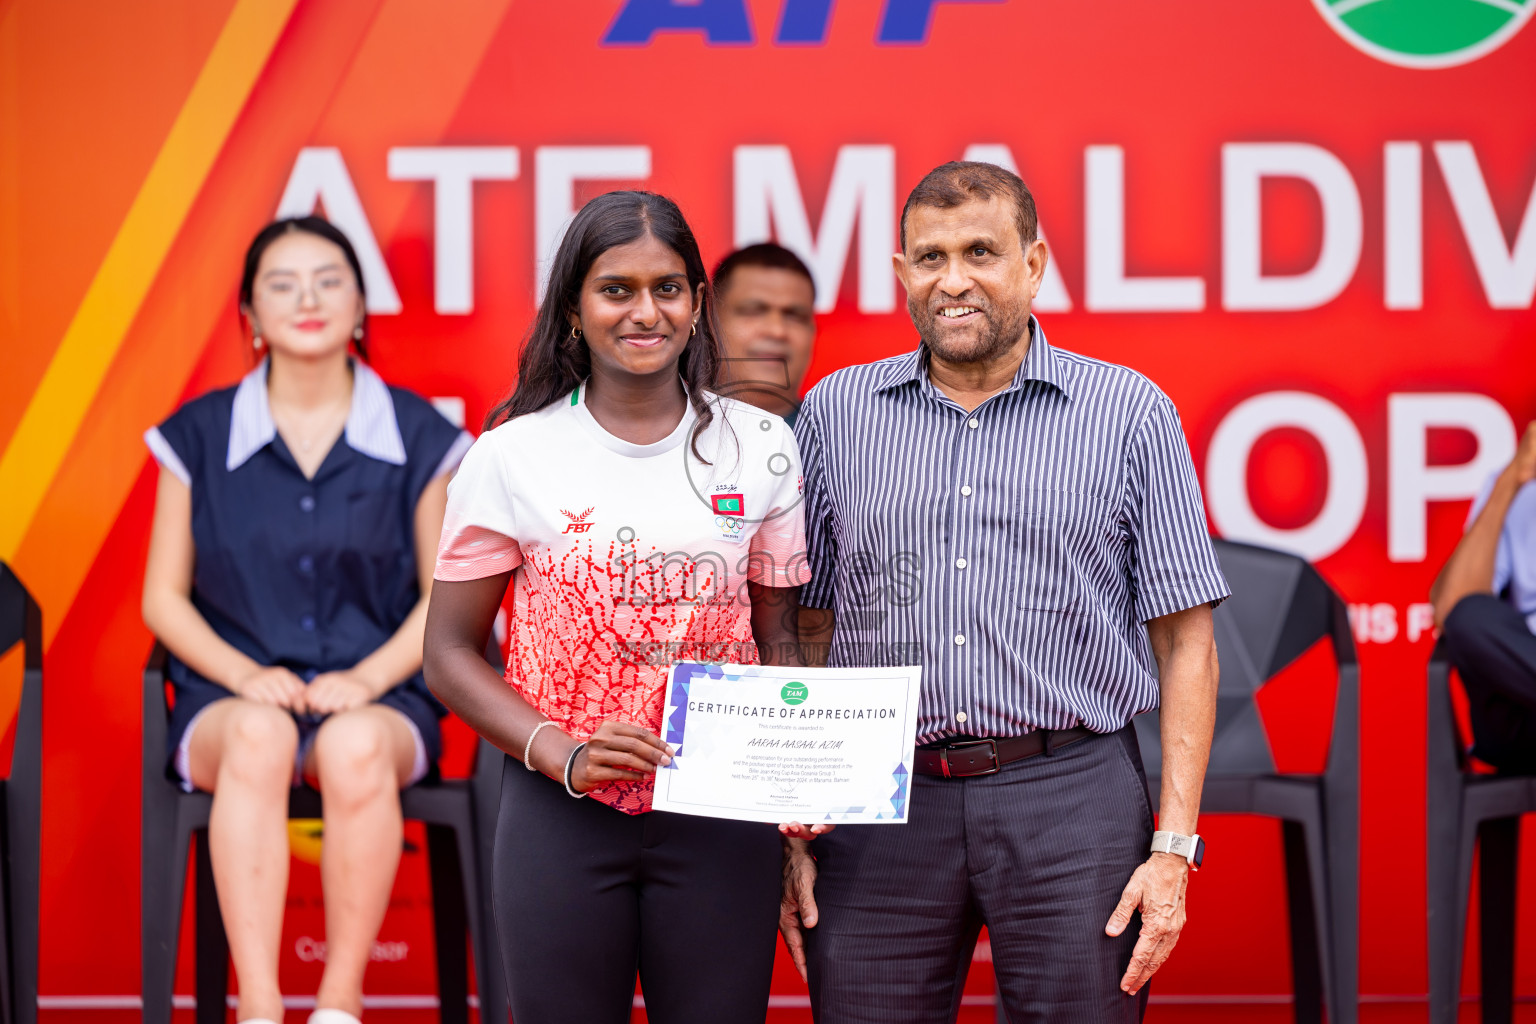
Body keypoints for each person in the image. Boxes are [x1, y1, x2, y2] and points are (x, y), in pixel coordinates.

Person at [781, 162, 1229, 1024]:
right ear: (902, 274)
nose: (953, 280)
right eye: (930, 256)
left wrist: (1173, 847)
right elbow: (807, 626)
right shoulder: (835, 414)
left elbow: (1186, 641)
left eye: (981, 251)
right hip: (879, 803)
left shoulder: (1130, 412)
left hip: (1072, 796)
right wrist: (794, 824)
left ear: (1034, 263)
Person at [421, 190, 814, 1024]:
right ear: (573, 307)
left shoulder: (762, 446)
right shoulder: (510, 456)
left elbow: (782, 636)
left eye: (668, 288)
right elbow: (450, 654)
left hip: (720, 817)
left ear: (698, 302)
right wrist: (562, 752)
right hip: (557, 812)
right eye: (616, 289)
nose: (646, 311)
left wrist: (801, 774)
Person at [140, 216, 471, 1024]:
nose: (307, 299)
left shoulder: (421, 435)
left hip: (380, 696)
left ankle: (337, 1006)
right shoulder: (198, 435)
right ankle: (259, 1009)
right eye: (281, 284)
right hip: (233, 697)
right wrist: (245, 676)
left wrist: (368, 678)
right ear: (250, 314)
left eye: (328, 279)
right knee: (260, 735)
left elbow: (444, 594)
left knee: (356, 750)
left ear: (361, 303)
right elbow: (162, 599)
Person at [1430, 421, 1536, 773]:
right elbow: (1451, 608)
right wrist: (1511, 482)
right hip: (1526, 711)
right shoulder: (1511, 485)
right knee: (1471, 615)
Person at [712, 242, 817, 426]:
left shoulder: (842, 442)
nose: (777, 331)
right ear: (710, 322)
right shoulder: (662, 433)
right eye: (754, 310)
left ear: (812, 332)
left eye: (794, 315)